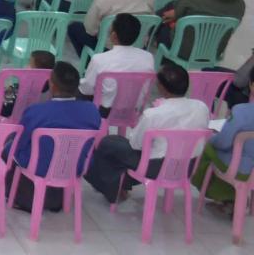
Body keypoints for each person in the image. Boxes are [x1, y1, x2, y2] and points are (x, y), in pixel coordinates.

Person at [84, 61, 209, 204]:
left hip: (156, 168)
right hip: (188, 166)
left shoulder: (154, 114)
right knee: (117, 150)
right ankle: (119, 184)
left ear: (162, 87)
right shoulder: (201, 107)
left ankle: (110, 186)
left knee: (108, 143)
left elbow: (135, 144)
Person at [8, 61, 101, 211]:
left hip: (39, 168)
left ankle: (20, 195)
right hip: (75, 166)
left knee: (9, 145)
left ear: (52, 85)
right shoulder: (92, 110)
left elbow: (19, 144)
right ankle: (55, 197)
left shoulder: (36, 111)